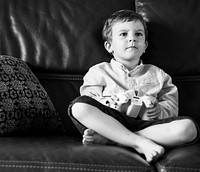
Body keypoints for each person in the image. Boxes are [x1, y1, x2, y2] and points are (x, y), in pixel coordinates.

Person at [68, 10, 198, 163]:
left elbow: (171, 106)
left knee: (189, 128)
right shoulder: (99, 71)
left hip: (147, 124)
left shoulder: (158, 74)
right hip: (110, 121)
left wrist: (158, 111)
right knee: (78, 107)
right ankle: (139, 142)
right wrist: (115, 103)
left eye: (138, 34)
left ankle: (115, 140)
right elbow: (90, 99)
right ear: (109, 46)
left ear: (145, 46)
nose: (132, 39)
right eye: (123, 34)